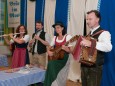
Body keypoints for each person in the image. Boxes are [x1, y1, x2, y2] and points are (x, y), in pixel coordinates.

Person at [80, 10, 112, 86]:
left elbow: (108, 47)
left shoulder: (104, 33)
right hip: (84, 66)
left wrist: (91, 43)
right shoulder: (88, 34)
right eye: (87, 19)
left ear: (97, 20)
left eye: (90, 19)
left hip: (94, 69)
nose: (87, 21)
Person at [44, 22, 73, 86]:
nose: (56, 29)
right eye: (55, 28)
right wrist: (48, 51)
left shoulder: (68, 37)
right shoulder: (55, 38)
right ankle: (51, 83)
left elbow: (71, 51)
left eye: (58, 27)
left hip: (64, 58)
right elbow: (49, 47)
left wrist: (66, 49)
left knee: (51, 64)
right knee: (50, 64)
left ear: (62, 28)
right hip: (57, 57)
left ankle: (53, 83)